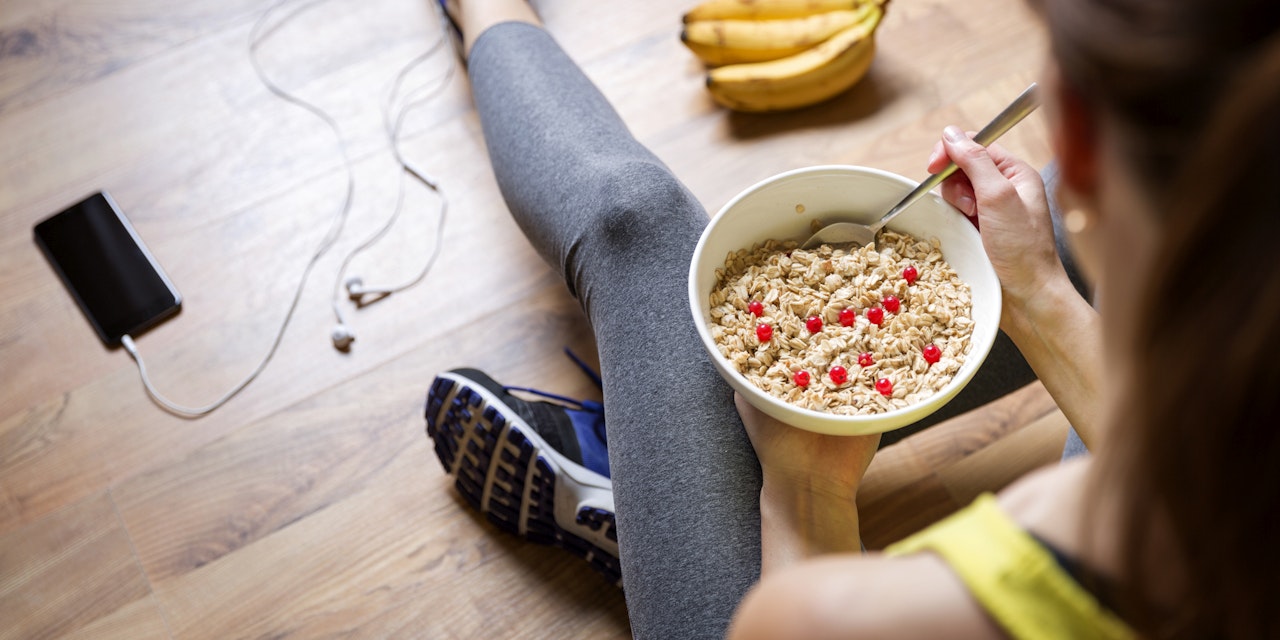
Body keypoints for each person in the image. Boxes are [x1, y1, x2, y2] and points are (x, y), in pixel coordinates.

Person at [423, 0, 1279, 638]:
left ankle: (485, 7)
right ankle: (657, 491)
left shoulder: (859, 618)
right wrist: (1041, 299)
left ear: (1080, 133)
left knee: (634, 220)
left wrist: (805, 490)